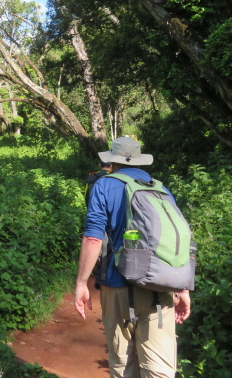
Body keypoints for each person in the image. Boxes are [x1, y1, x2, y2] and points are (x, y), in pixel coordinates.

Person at [74, 136, 191, 378]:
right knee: (159, 369)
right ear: (139, 160)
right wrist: (182, 289)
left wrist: (81, 283)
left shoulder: (103, 185)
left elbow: (93, 238)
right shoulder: (160, 188)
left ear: (113, 161)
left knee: (123, 364)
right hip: (160, 286)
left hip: (117, 285)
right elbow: (176, 240)